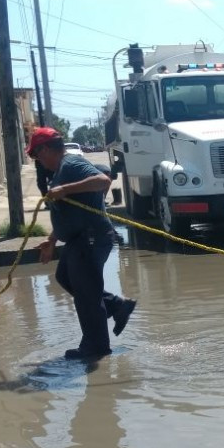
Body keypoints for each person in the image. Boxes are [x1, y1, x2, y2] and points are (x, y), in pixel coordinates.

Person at [29, 127, 136, 360]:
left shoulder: (71, 165)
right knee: (65, 278)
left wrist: (64, 189)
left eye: (37, 155)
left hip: (91, 237)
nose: (37, 160)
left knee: (87, 294)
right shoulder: (60, 171)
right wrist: (51, 239)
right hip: (79, 238)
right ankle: (116, 306)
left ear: (45, 149)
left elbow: (102, 180)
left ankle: (96, 348)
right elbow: (68, 213)